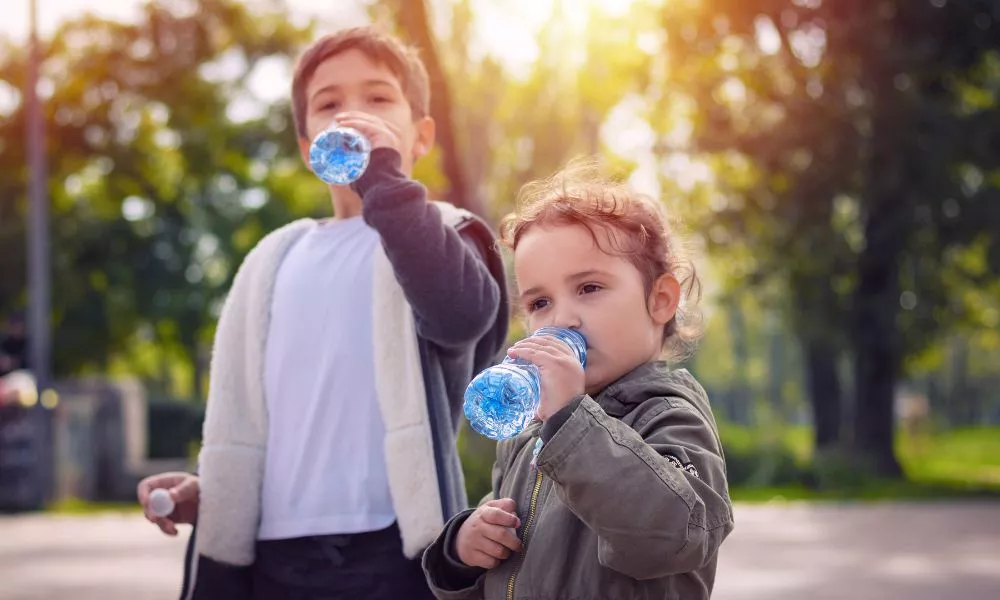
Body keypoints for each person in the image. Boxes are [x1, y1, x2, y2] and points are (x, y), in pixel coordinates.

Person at [137, 25, 508, 600]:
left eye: (378, 98)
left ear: (421, 135)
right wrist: (212, 493)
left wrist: (384, 176)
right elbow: (273, 422)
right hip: (271, 557)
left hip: (394, 551)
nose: (353, 114)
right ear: (309, 147)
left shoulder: (442, 234)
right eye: (329, 103)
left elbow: (462, 314)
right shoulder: (272, 262)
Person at [422, 160, 734, 599]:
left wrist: (571, 422)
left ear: (660, 300)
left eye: (589, 288)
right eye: (540, 302)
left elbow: (676, 535)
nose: (562, 319)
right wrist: (462, 554)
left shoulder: (667, 412)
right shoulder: (530, 430)